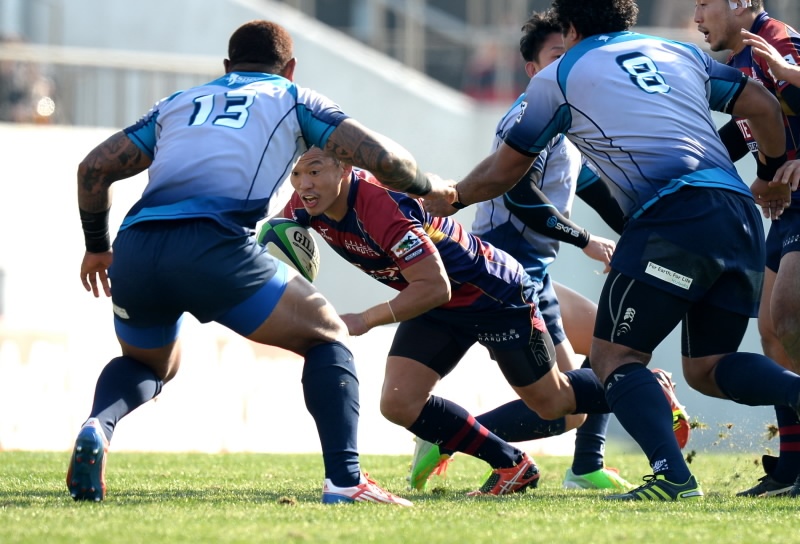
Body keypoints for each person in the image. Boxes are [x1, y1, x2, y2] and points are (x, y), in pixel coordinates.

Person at [422, 0, 800, 501]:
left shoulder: (559, 77)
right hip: (738, 214)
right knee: (708, 368)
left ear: (571, 26)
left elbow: (505, 172)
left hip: (673, 214)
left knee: (612, 359)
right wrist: (770, 174)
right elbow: (764, 105)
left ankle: (673, 478)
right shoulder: (675, 51)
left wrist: (452, 197)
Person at [66, 19, 447, 506]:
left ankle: (98, 425)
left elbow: (93, 168)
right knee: (327, 334)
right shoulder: (293, 98)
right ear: (290, 68)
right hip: (215, 244)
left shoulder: (177, 103)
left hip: (136, 248)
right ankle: (346, 481)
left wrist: (97, 246)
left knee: (147, 363)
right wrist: (428, 188)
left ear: (227, 66)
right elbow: (388, 162)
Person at [408, 10, 690, 494]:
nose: (570, 63)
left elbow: (594, 189)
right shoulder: (530, 115)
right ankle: (451, 435)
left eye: (572, 52)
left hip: (530, 268)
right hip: (507, 268)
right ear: (533, 69)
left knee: (604, 348)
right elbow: (521, 196)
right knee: (566, 404)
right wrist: (587, 241)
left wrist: (647, 234)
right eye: (557, 55)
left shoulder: (566, 120)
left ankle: (585, 466)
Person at [278, 146, 632, 496]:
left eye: (314, 171)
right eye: (296, 174)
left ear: (344, 169)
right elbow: (270, 236)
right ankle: (512, 465)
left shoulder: (380, 206)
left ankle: (642, 386)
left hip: (494, 295)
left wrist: (364, 319)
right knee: (400, 403)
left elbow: (435, 286)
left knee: (555, 404)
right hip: (439, 303)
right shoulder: (304, 203)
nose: (304, 183)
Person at [694, 0, 800, 497]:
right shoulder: (740, 62)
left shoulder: (775, 40)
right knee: (773, 334)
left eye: (704, 3)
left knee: (789, 319)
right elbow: (741, 136)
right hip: (787, 206)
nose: (697, 17)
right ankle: (791, 467)